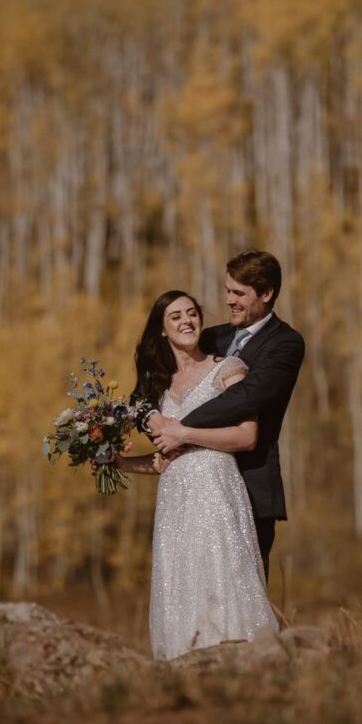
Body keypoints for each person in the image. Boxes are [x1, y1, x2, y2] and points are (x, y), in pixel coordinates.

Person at [117, 289, 278, 660]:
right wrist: (120, 464)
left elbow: (247, 436)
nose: (187, 321)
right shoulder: (157, 391)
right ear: (162, 329)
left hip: (217, 489)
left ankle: (242, 666)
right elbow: (164, 462)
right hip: (175, 502)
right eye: (175, 316)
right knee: (181, 586)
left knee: (223, 578)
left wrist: (185, 433)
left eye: (192, 313)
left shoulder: (227, 369)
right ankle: (183, 671)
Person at [146, 250, 305, 581]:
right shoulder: (211, 336)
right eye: (227, 290)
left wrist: (180, 428)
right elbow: (151, 386)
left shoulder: (286, 344)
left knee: (244, 587)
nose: (229, 300)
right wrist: (152, 420)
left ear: (266, 294)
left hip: (251, 481)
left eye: (239, 293)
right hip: (194, 487)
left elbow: (246, 396)